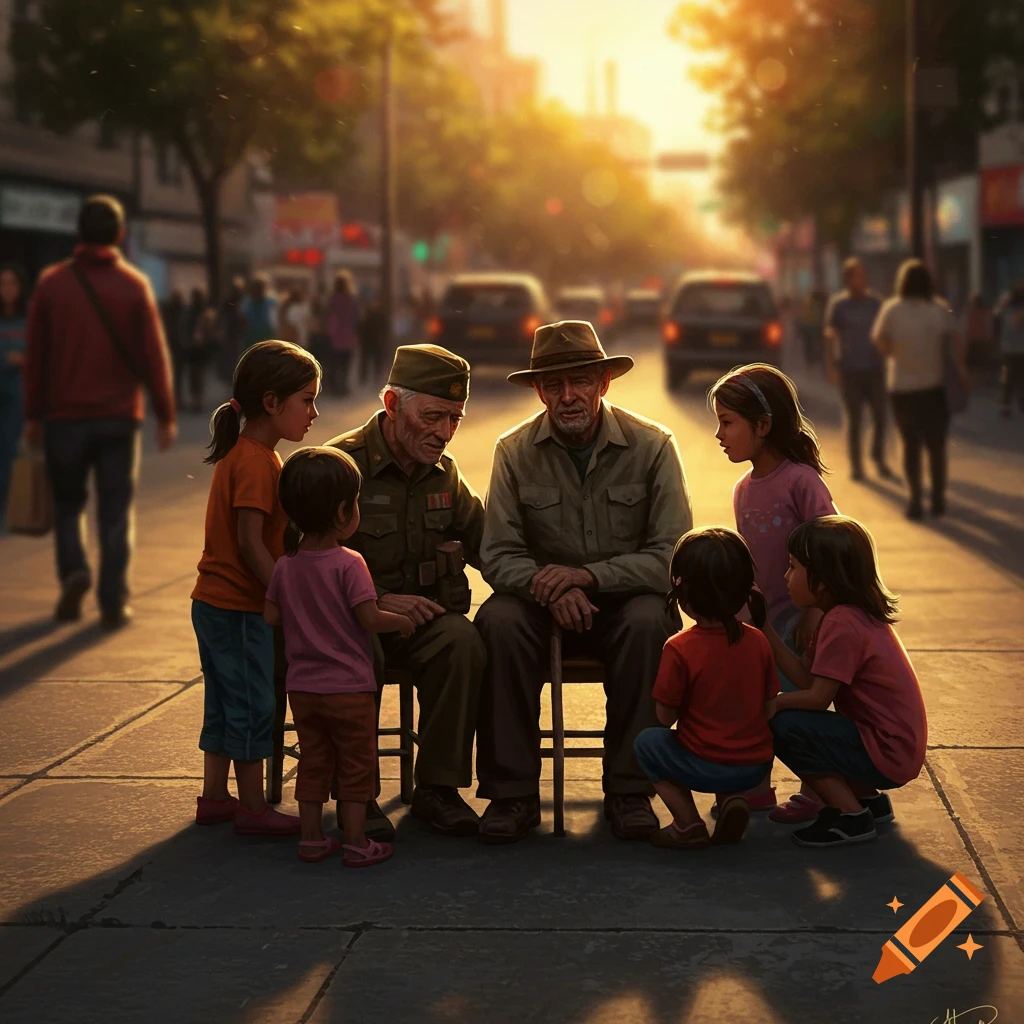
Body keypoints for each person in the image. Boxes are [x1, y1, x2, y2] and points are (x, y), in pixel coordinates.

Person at [476, 320, 692, 844]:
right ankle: (512, 794)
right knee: (497, 620)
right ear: (538, 390)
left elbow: (672, 556)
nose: (568, 396)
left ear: (603, 382)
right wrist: (556, 588)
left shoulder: (653, 445)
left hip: (623, 605)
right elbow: (498, 554)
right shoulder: (513, 449)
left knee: (650, 620)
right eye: (554, 385)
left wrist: (590, 577)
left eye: (580, 381)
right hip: (541, 605)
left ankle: (630, 790)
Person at [325, 344, 486, 841]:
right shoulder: (338, 466)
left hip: (422, 625)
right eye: (433, 416)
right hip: (349, 624)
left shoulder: (447, 473)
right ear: (393, 405)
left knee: (463, 642)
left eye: (455, 419)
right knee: (359, 650)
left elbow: (491, 546)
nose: (444, 433)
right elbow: (300, 566)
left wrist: (551, 580)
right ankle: (359, 793)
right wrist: (372, 601)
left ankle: (437, 790)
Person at [22, 194, 177, 628]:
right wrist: (165, 413)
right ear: (120, 235)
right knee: (115, 509)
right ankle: (112, 600)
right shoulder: (133, 286)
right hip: (118, 417)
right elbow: (152, 356)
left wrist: (33, 414)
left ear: (78, 234)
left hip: (64, 417)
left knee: (68, 504)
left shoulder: (52, 285)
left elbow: (36, 356)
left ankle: (74, 571)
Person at [191, 340, 319, 836]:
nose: (313, 412)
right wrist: (284, 597)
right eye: (306, 400)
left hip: (213, 604)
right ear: (272, 402)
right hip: (239, 607)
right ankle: (251, 808)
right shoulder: (256, 462)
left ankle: (216, 797)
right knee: (252, 703)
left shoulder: (248, 455)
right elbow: (250, 542)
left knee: (224, 700)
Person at [265, 447, 415, 866]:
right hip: (349, 688)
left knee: (314, 762)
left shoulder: (284, 565)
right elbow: (369, 618)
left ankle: (311, 839)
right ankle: (356, 842)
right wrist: (400, 622)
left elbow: (271, 614)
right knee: (355, 767)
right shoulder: (351, 564)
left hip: (304, 689)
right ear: (343, 511)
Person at [710, 363, 838, 824]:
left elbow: (830, 545)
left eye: (728, 422)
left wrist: (817, 612)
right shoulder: (743, 489)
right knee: (751, 697)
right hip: (760, 619)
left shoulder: (801, 480)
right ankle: (754, 787)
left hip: (803, 620)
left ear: (763, 426)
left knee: (801, 701)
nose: (719, 434)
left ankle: (819, 787)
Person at [763, 516, 927, 848]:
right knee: (788, 716)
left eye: (793, 567)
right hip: (893, 746)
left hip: (886, 750)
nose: (786, 576)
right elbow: (805, 677)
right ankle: (868, 800)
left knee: (781, 724)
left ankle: (850, 815)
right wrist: (763, 628)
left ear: (823, 582)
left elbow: (817, 698)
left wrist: (772, 703)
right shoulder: (843, 615)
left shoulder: (842, 623)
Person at [633, 528, 778, 851]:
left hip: (702, 765)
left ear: (682, 594)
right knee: (733, 734)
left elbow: (663, 716)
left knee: (648, 743)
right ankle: (732, 800)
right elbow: (769, 709)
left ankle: (688, 823)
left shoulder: (679, 648)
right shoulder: (758, 641)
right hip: (754, 766)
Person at [872, 258, 969, 520]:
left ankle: (915, 500)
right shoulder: (939, 309)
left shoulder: (892, 310)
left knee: (911, 445)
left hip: (902, 389)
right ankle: (938, 499)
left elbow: (879, 339)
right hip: (933, 388)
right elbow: (955, 342)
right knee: (936, 446)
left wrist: (893, 352)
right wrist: (962, 373)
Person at [824, 258, 893, 481]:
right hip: (850, 370)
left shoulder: (876, 303)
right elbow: (830, 336)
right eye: (857, 275)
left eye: (863, 275)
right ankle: (856, 465)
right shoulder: (839, 305)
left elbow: (886, 334)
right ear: (848, 279)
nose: (862, 279)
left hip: (875, 369)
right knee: (854, 421)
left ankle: (878, 458)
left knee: (880, 417)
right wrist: (831, 366)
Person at [0, 262, 28, 530]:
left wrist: (23, 360)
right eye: (3, 283)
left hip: (17, 395)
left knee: (10, 452)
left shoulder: (27, 321)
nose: (7, 289)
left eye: (12, 283)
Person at [994, 281, 1024, 418]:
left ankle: (1006, 405)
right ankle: (1013, 403)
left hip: (1008, 348)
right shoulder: (1008, 304)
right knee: (1017, 377)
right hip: (1015, 348)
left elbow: (996, 317)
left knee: (1008, 377)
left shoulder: (1005, 303)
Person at [326, 270, 359, 395]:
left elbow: (328, 316)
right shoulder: (352, 300)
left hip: (334, 336)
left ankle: (334, 388)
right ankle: (343, 387)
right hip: (348, 336)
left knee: (335, 364)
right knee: (345, 365)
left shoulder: (332, 299)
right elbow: (355, 319)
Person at [185, 287, 215, 414]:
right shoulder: (192, 312)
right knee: (195, 376)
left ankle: (198, 401)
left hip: (200, 349)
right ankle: (196, 401)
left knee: (198, 376)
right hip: (194, 349)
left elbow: (211, 330)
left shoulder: (205, 313)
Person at [160, 288, 187, 402]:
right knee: (173, 375)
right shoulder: (177, 311)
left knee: (174, 375)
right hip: (173, 346)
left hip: (174, 346)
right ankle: (174, 398)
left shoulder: (176, 311)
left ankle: (174, 398)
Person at [218, 276, 246, 383]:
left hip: (239, 332)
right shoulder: (228, 301)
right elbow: (222, 315)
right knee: (231, 356)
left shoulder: (244, 300)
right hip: (230, 332)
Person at [240, 274, 279, 351]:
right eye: (257, 287)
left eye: (261, 287)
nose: (260, 290)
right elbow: (242, 319)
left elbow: (276, 320)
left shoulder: (270, 302)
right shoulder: (247, 302)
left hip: (266, 333)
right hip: (252, 334)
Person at [358, 294, 387, 386]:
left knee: (374, 359)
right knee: (367, 359)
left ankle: (374, 376)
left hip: (374, 339)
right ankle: (365, 377)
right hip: (368, 339)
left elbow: (383, 328)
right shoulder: (369, 313)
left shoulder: (378, 314)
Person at [962, 292, 994, 371]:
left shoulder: (969, 314)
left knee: (974, 369)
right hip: (983, 343)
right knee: (983, 369)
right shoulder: (986, 313)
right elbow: (990, 330)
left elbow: (965, 331)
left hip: (974, 343)